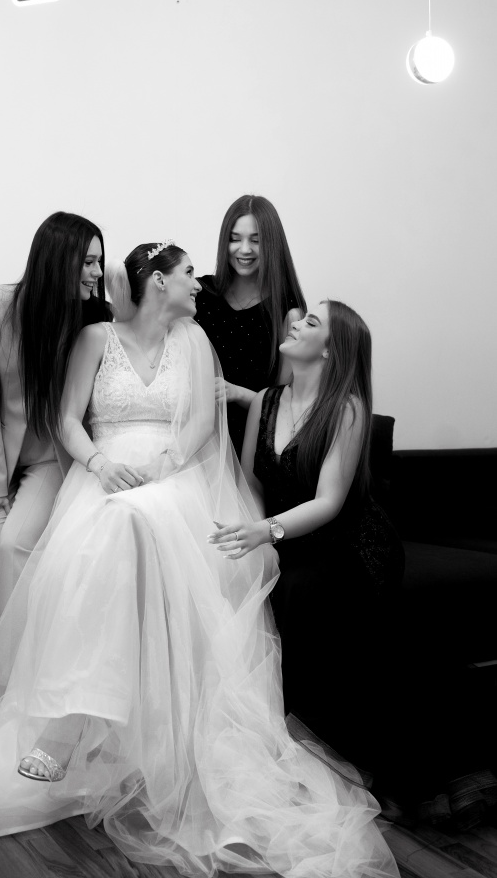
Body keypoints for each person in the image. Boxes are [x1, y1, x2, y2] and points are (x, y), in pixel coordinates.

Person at [0, 247, 398, 878]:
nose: (200, 284)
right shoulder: (96, 337)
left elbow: (202, 423)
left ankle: (70, 724)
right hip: (105, 474)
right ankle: (72, 717)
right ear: (158, 281)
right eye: (190, 274)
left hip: (172, 476)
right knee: (111, 526)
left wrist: (168, 465)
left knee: (134, 522)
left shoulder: (196, 340)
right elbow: (66, 418)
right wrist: (100, 464)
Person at [210, 299, 405, 778]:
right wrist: (254, 535)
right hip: (287, 539)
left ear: (331, 351)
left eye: (311, 322)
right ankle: (259, 733)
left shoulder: (346, 409)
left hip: (349, 545)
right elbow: (253, 482)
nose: (295, 323)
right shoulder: (265, 400)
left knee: (296, 590)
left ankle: (309, 744)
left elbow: (329, 502)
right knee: (236, 581)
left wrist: (265, 531)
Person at [0, 211, 110, 617]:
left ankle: (16, 661)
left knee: (14, 548)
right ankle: (19, 650)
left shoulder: (96, 317)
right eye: (88, 262)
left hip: (50, 457)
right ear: (57, 260)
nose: (97, 273)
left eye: (99, 262)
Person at [195, 194, 306, 456]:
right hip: (196, 434)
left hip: (251, 444)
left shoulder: (289, 313)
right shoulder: (200, 293)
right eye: (235, 239)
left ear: (272, 244)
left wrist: (236, 393)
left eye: (256, 241)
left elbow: (285, 406)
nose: (244, 250)